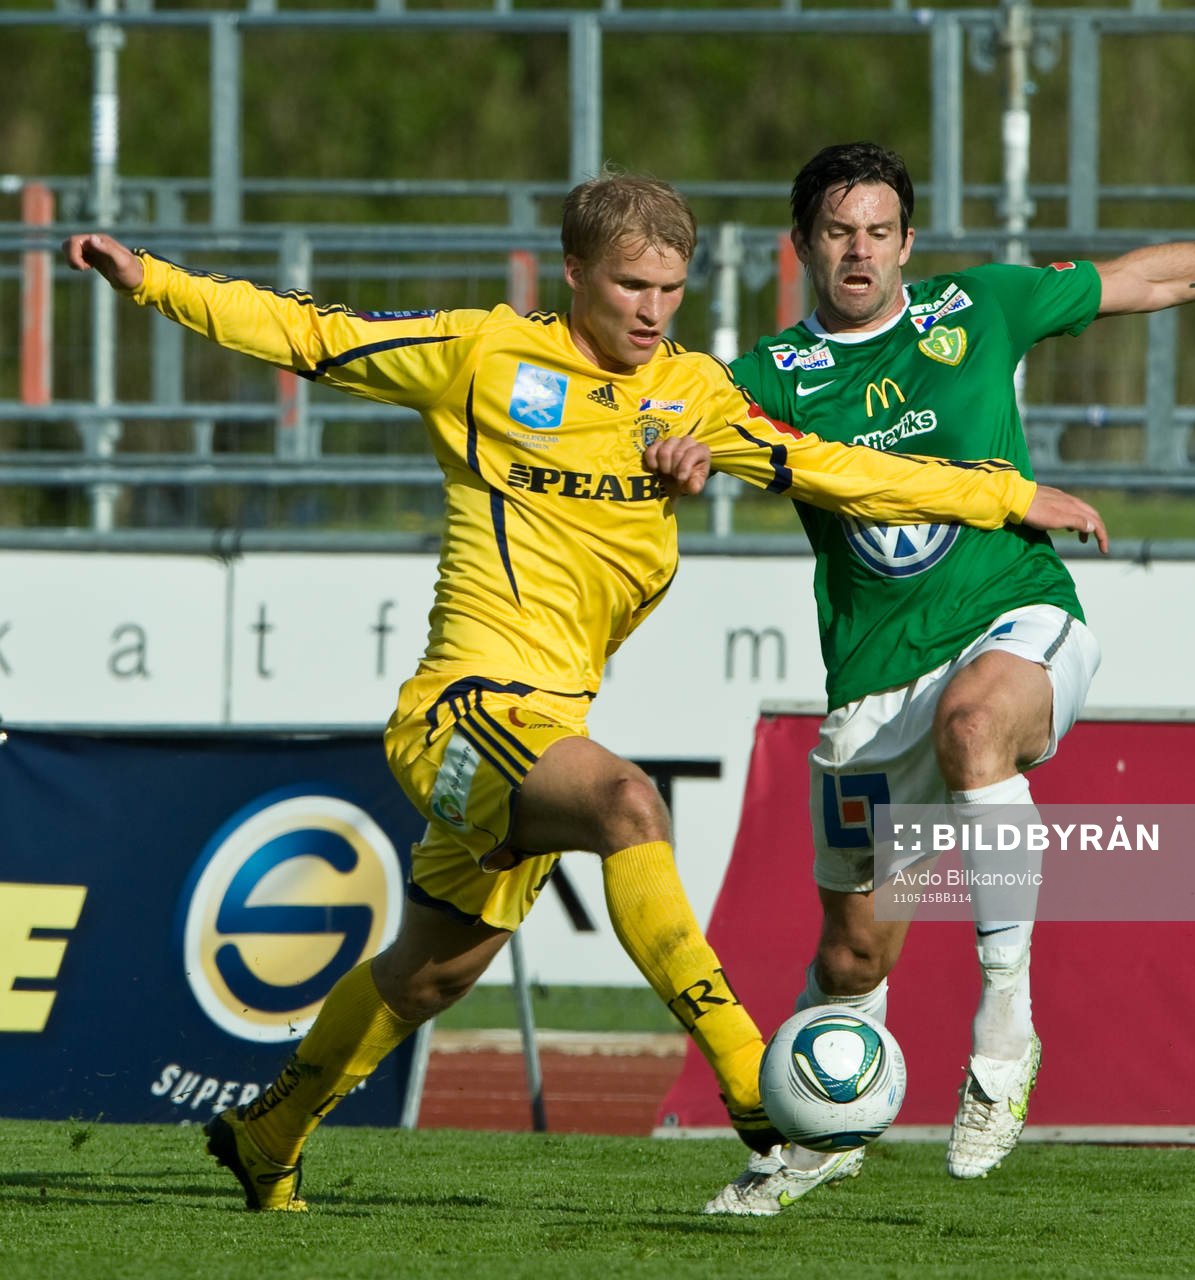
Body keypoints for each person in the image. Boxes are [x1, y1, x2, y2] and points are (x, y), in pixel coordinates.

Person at [64, 171, 1105, 1213]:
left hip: (547, 727)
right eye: (629, 287)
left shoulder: (692, 394)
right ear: (572, 273)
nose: (652, 312)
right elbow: (305, 331)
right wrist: (147, 278)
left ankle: (267, 1131)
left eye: (671, 289)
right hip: (460, 710)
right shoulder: (481, 354)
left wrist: (1003, 492)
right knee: (627, 803)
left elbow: (845, 470)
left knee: (431, 972)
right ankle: (752, 1082)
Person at [702, 141, 1195, 1215]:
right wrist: (680, 446)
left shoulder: (974, 307)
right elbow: (667, 424)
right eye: (838, 232)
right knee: (848, 956)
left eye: (879, 230)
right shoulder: (762, 378)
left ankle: (1004, 1030)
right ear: (801, 247)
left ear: (907, 244)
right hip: (874, 681)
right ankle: (815, 1134)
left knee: (975, 725)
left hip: (1012, 617)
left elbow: (1140, 278)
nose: (859, 251)